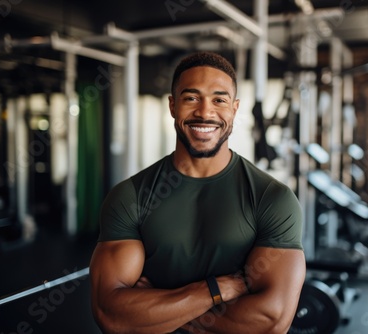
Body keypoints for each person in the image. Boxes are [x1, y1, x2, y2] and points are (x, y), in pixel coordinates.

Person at [90, 51, 305, 334]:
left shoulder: (272, 198)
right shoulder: (130, 197)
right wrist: (213, 291)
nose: (205, 112)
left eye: (219, 100)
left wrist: (163, 306)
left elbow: (271, 321)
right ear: (172, 105)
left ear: (235, 108)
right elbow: (112, 316)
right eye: (191, 98)